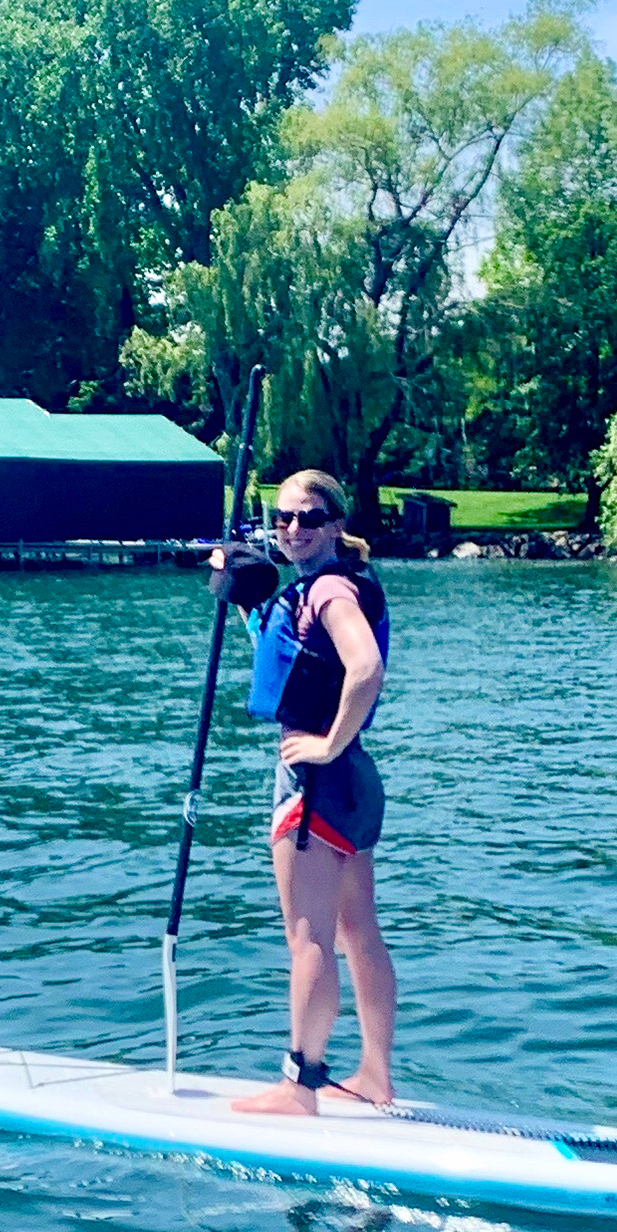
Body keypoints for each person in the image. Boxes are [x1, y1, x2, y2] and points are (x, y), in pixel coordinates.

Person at [228, 470, 397, 1115]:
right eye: (283, 517)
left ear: (335, 524)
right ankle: (376, 1076)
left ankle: (301, 1088)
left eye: (309, 517)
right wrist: (240, 592)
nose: (293, 527)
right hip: (353, 777)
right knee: (358, 931)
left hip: (318, 776)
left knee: (308, 939)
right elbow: (294, 654)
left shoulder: (327, 588)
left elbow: (365, 667)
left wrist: (324, 743)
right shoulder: (328, 584)